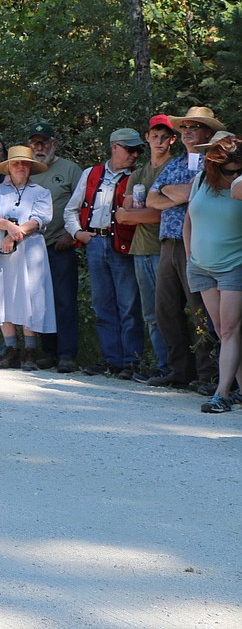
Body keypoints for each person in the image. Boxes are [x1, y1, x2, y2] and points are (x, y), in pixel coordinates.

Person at [144, 106, 223, 390]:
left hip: (199, 244)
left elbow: (195, 193)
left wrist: (172, 191)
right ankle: (179, 370)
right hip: (168, 243)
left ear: (208, 132)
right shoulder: (175, 164)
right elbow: (153, 198)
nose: (187, 133)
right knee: (166, 309)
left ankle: (208, 374)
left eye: (194, 128)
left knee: (201, 309)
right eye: (184, 128)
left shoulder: (215, 162)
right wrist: (178, 193)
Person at [63, 129, 146, 378]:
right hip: (95, 243)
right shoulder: (91, 173)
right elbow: (70, 210)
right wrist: (79, 234)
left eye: (137, 150)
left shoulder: (138, 177)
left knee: (129, 305)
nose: (134, 155)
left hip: (123, 245)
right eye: (130, 149)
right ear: (114, 148)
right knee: (103, 305)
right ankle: (112, 360)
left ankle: (132, 361)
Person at [0, 146, 55, 369]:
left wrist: (15, 234)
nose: (20, 167)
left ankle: (30, 350)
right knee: (3, 294)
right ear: (8, 166)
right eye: (16, 163)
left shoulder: (41, 192)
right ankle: (11, 349)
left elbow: (40, 218)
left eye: (25, 163)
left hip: (30, 248)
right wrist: (10, 227)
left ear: (30, 167)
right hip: (0, 249)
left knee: (29, 294)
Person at [116, 115, 175, 382]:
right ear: (147, 137)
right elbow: (122, 213)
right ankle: (163, 366)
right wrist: (140, 212)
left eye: (165, 136)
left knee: (169, 311)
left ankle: (179, 368)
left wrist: (135, 214)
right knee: (150, 313)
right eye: (155, 135)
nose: (159, 141)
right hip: (140, 248)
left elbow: (159, 216)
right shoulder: (139, 173)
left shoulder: (175, 168)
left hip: (167, 247)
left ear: (172, 139)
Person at [187, 135, 242, 412]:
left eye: (237, 169)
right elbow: (188, 221)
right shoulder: (200, 181)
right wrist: (189, 258)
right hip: (201, 267)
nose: (233, 174)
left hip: (233, 266)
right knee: (222, 330)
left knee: (231, 329)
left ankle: (221, 394)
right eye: (227, 170)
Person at [27, 122, 83, 372]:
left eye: (44, 143)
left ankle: (67, 354)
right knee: (40, 301)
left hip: (61, 244)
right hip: (32, 247)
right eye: (35, 143)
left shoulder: (70, 170)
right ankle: (48, 351)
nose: (39, 148)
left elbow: (83, 205)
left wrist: (73, 235)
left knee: (64, 300)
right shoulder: (26, 170)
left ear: (54, 144)